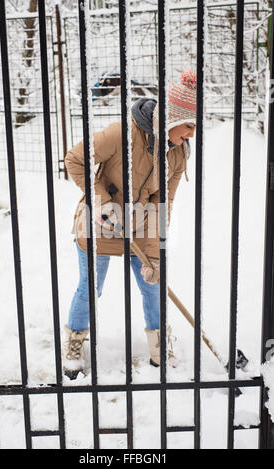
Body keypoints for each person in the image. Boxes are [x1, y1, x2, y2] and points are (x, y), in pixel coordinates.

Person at [63, 70, 197, 379]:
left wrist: (153, 255)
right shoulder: (121, 135)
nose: (191, 135)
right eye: (188, 126)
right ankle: (74, 342)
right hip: (100, 221)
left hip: (140, 227)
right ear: (172, 119)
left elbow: (163, 205)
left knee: (152, 286)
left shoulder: (178, 154)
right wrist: (101, 201)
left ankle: (159, 344)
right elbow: (74, 159)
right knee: (90, 288)